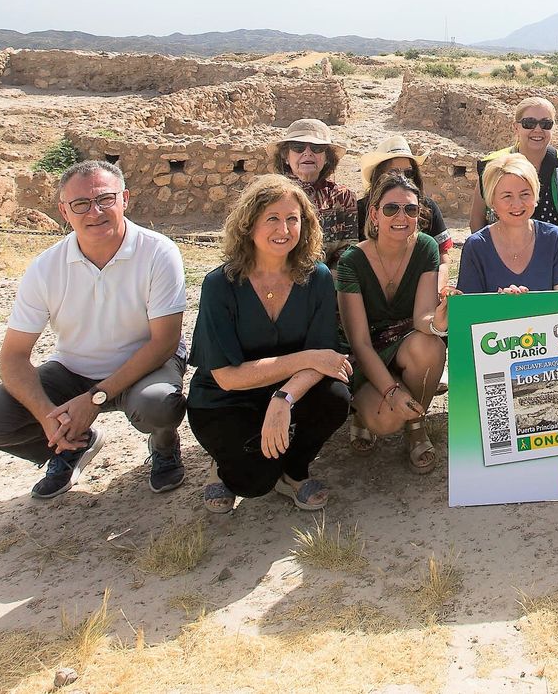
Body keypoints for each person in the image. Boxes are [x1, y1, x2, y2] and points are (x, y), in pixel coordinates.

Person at [0, 160, 188, 499]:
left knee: (159, 404)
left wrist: (96, 398)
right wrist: (48, 418)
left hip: (145, 366)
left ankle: (164, 444)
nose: (95, 212)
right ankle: (68, 446)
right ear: (64, 211)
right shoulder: (46, 267)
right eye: (81, 204)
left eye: (105, 199)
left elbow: (164, 341)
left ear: (125, 199)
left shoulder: (157, 252)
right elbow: (14, 358)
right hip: (73, 370)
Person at [187, 174, 351, 513]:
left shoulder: (316, 276)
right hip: (225, 399)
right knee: (253, 482)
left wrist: (284, 397)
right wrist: (303, 360)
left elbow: (325, 361)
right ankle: (220, 462)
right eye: (272, 218)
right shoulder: (220, 284)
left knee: (336, 396)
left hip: (287, 390)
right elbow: (227, 377)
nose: (284, 229)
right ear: (249, 224)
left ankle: (293, 472)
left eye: (293, 219)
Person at [336, 172, 448, 473]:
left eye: (411, 209)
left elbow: (423, 317)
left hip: (404, 339)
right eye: (391, 208)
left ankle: (415, 426)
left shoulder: (425, 248)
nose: (402, 216)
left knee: (431, 346)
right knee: (385, 420)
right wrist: (391, 391)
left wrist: (438, 322)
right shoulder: (351, 262)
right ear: (374, 214)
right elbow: (358, 342)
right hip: (365, 350)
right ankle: (362, 411)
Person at [456, 152, 558, 294]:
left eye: (524, 194)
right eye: (507, 196)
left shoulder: (555, 239)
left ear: (535, 196)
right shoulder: (476, 247)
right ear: (492, 201)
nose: (517, 204)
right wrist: (500, 304)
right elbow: (470, 310)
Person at [468, 97, 558, 234]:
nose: (537, 129)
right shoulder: (492, 165)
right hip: (498, 252)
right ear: (516, 127)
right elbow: (477, 221)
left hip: (551, 253)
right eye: (529, 123)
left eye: (546, 124)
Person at [270, 118, 356, 265]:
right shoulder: (270, 195)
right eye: (298, 147)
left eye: (317, 148)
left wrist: (326, 282)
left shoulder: (342, 196)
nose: (308, 153)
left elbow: (347, 250)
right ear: (285, 156)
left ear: (327, 157)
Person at [356, 134, 453, 258]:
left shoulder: (428, 207)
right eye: (394, 172)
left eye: (408, 172)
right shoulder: (360, 210)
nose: (402, 178)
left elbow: (443, 255)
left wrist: (438, 277)